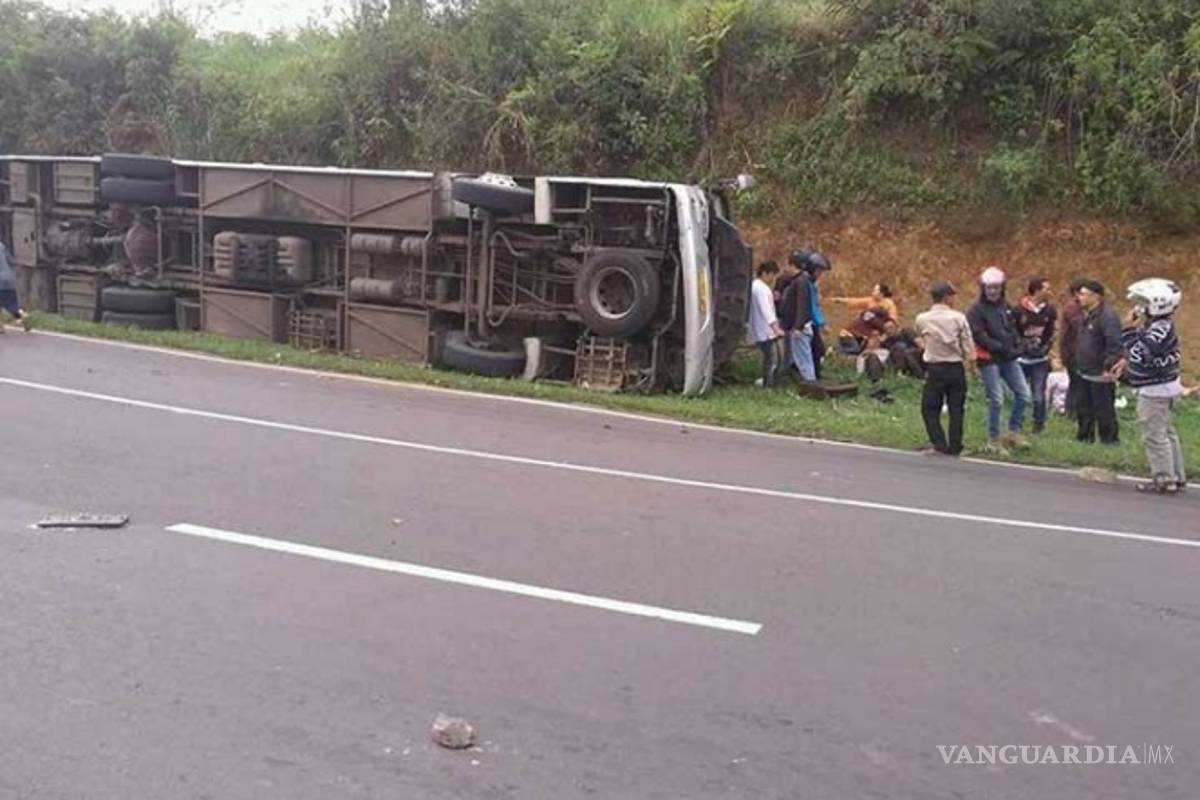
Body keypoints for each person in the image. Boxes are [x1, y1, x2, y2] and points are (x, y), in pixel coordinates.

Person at [1121, 278, 1186, 494]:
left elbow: (1141, 355)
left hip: (1156, 390)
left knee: (1155, 435)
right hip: (1165, 386)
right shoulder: (1159, 325)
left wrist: (1129, 331)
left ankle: (1165, 479)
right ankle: (1176, 475)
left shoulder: (1159, 329)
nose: (1138, 308)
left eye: (1143, 303)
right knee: (1166, 432)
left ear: (1157, 304)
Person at [966, 266, 1031, 450]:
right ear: (983, 288)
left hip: (1008, 358)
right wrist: (1001, 348)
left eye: (996, 287)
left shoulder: (1006, 307)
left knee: (1024, 395)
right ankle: (993, 439)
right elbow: (979, 335)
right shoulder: (975, 310)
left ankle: (1013, 432)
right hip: (988, 359)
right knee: (996, 399)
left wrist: (1018, 345)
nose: (993, 291)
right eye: (989, 288)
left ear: (1002, 287)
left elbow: (1013, 329)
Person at [915, 280, 975, 456]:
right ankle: (955, 446)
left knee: (930, 408)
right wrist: (972, 368)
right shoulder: (959, 318)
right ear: (947, 297)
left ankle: (939, 443)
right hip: (955, 367)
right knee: (957, 408)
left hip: (935, 368)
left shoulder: (922, 318)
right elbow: (969, 347)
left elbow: (921, 338)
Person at [1073, 280, 1124, 444]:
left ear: (1095, 296)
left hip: (1100, 373)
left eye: (1083, 294)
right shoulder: (1085, 314)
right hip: (1084, 370)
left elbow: (1114, 343)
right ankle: (1084, 438)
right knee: (1083, 408)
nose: (1079, 297)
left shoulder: (1107, 316)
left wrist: (1108, 366)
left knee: (1104, 410)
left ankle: (1109, 441)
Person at [1015, 277, 1057, 434]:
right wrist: (1020, 346)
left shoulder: (1050, 310)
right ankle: (1016, 425)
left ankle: (1038, 427)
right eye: (1046, 288)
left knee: (1039, 395)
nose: (1049, 292)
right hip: (1020, 360)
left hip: (1040, 360)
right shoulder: (1019, 309)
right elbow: (1013, 331)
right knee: (1020, 395)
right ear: (1037, 290)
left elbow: (1051, 331)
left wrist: (1045, 347)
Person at [779, 250, 824, 382]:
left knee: (803, 358)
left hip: (800, 328)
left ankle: (811, 383)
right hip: (796, 326)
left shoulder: (801, 282)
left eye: (787, 264)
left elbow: (803, 305)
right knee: (799, 356)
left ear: (792, 265)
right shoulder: (797, 281)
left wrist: (798, 326)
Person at [748, 261, 784, 388]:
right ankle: (768, 385)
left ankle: (768, 383)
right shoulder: (761, 289)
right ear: (765, 273)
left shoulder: (756, 286)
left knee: (771, 358)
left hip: (762, 329)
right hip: (766, 331)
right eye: (772, 275)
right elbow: (766, 311)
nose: (773, 279)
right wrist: (776, 328)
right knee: (772, 359)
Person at [1059, 279, 1086, 417]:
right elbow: (1078, 328)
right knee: (1077, 383)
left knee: (1076, 383)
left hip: (1076, 352)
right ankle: (1073, 411)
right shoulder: (1073, 309)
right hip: (1073, 353)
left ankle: (1072, 411)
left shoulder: (1079, 308)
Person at [833, 283, 900, 324]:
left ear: (881, 294)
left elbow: (893, 318)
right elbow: (855, 301)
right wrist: (840, 300)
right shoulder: (870, 300)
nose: (872, 292)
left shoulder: (889, 303)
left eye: (875, 291)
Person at [0, 242, 30, 332]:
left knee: (7, 303)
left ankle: (1, 326)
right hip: (9, 277)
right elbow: (12, 261)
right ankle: (23, 318)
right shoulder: (2, 246)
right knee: (12, 302)